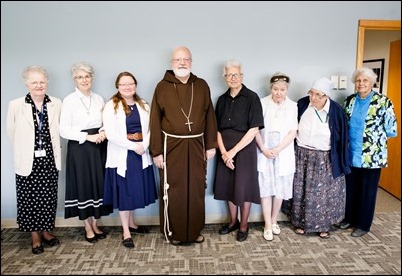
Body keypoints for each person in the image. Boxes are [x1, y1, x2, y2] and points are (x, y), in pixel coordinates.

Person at [149, 46, 218, 246]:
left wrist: (210, 145)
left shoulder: (202, 85)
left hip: (197, 145)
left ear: (191, 62)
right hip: (170, 147)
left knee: (195, 190)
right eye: (178, 60)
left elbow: (210, 117)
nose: (182, 63)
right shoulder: (162, 87)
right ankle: (174, 232)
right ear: (172, 63)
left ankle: (194, 231)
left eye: (186, 59)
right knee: (174, 191)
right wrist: (156, 152)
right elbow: (154, 120)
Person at [6, 65, 62, 254]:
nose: (39, 85)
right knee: (28, 198)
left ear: (47, 83)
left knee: (47, 196)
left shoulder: (56, 102)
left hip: (49, 158)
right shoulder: (16, 105)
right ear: (26, 83)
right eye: (34, 82)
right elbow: (11, 132)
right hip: (27, 160)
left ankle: (46, 232)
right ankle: (35, 236)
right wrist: (27, 149)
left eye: (42, 82)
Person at [340, 67, 397, 237]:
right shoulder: (349, 101)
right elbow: (345, 125)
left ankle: (363, 225)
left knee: (367, 191)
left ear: (372, 83)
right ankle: (349, 218)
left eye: (365, 80)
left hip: (372, 155)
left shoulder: (383, 101)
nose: (361, 83)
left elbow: (391, 130)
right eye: (358, 80)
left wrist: (373, 140)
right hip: (351, 153)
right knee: (350, 188)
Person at [290, 77, 350, 239]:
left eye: (319, 95)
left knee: (323, 194)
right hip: (302, 154)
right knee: (302, 190)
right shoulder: (302, 104)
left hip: (325, 156)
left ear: (327, 97)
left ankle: (324, 226)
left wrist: (342, 160)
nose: (314, 98)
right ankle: (301, 223)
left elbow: (343, 137)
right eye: (312, 93)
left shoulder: (336, 111)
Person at [103, 71, 157, 248]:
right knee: (124, 194)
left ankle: (132, 224)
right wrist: (134, 146)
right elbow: (111, 134)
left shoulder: (144, 105)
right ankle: (125, 231)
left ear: (135, 85)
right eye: (123, 84)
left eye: (131, 83)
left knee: (133, 192)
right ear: (117, 87)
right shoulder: (112, 105)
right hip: (123, 155)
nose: (127, 87)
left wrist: (145, 145)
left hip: (141, 154)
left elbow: (151, 129)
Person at [60, 62, 113, 244]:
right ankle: (87, 226)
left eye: (87, 76)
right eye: (80, 77)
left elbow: (107, 120)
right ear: (74, 79)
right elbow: (63, 130)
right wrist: (88, 137)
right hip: (80, 149)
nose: (84, 80)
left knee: (98, 185)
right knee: (83, 186)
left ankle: (96, 223)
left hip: (99, 147)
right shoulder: (69, 100)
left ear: (92, 78)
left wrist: (104, 132)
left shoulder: (99, 98)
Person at [214, 60, 264, 242]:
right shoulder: (221, 99)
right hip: (224, 150)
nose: (233, 78)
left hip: (244, 149)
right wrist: (223, 153)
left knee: (244, 188)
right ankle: (232, 221)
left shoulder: (252, 97)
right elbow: (216, 129)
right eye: (229, 75)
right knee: (228, 187)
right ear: (225, 77)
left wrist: (233, 152)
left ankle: (244, 225)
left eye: (236, 74)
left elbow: (254, 129)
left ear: (242, 76)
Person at [255, 72, 298, 241]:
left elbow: (293, 131)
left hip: (283, 151)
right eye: (275, 89)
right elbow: (256, 129)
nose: (279, 93)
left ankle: (274, 221)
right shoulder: (262, 103)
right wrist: (264, 149)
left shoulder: (293, 106)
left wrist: (278, 149)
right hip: (264, 151)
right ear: (270, 88)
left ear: (287, 89)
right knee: (265, 189)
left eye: (282, 89)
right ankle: (266, 223)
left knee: (280, 189)